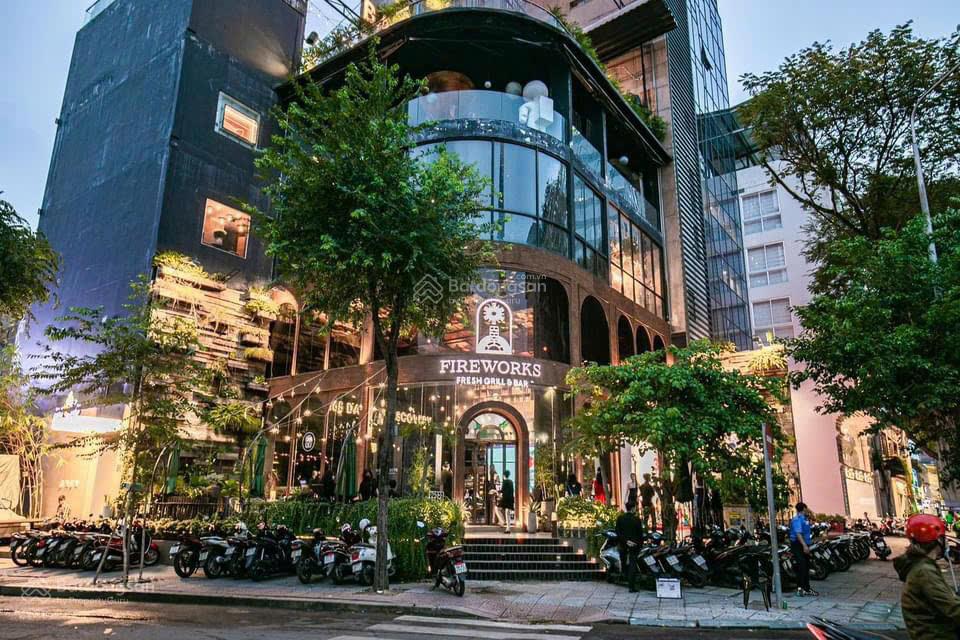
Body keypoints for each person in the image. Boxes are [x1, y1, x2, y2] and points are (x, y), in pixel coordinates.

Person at [895, 514, 960, 639]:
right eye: (944, 538)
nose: (947, 542)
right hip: (936, 635)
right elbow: (952, 608)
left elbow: (943, 596)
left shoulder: (921, 564)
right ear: (938, 540)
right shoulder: (924, 571)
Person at [789, 502, 818, 597]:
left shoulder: (804, 519)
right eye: (806, 509)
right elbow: (798, 534)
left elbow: (812, 522)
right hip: (798, 545)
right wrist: (804, 546)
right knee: (801, 567)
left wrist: (810, 513)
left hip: (804, 544)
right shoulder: (797, 519)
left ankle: (807, 588)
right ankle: (801, 589)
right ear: (804, 509)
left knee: (806, 567)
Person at [615, 502, 645, 592]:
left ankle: (624, 577)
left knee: (623, 562)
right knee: (633, 564)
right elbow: (640, 534)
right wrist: (639, 544)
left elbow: (618, 532)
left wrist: (626, 541)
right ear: (633, 508)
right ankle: (631, 586)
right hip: (634, 545)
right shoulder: (636, 519)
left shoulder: (620, 518)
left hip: (623, 544)